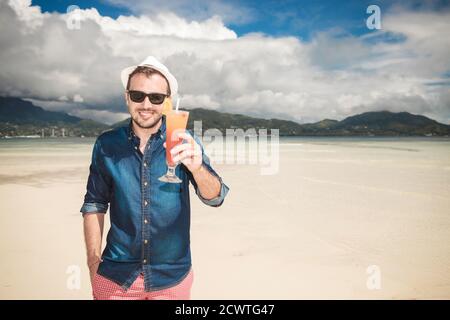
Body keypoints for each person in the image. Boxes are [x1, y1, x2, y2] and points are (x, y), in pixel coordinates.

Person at [80, 56, 229, 300]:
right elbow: (94, 204)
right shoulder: (107, 144)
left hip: (171, 277)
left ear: (167, 103)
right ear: (127, 97)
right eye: (138, 95)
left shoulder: (184, 140)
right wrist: (92, 262)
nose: (146, 104)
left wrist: (197, 167)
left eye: (156, 97)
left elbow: (216, 198)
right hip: (117, 276)